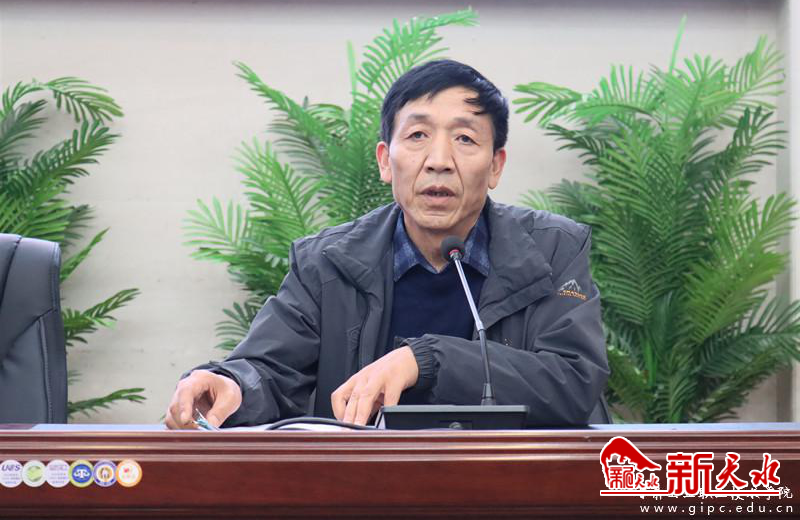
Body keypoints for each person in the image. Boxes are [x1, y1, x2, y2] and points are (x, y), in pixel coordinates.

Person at [165, 59, 609, 429]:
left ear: (495, 166)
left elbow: (572, 380)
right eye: (417, 136)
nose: (439, 161)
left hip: (511, 486)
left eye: (465, 139)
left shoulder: (553, 250)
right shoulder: (328, 262)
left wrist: (427, 360)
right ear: (384, 161)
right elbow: (270, 369)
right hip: (367, 488)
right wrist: (231, 384)